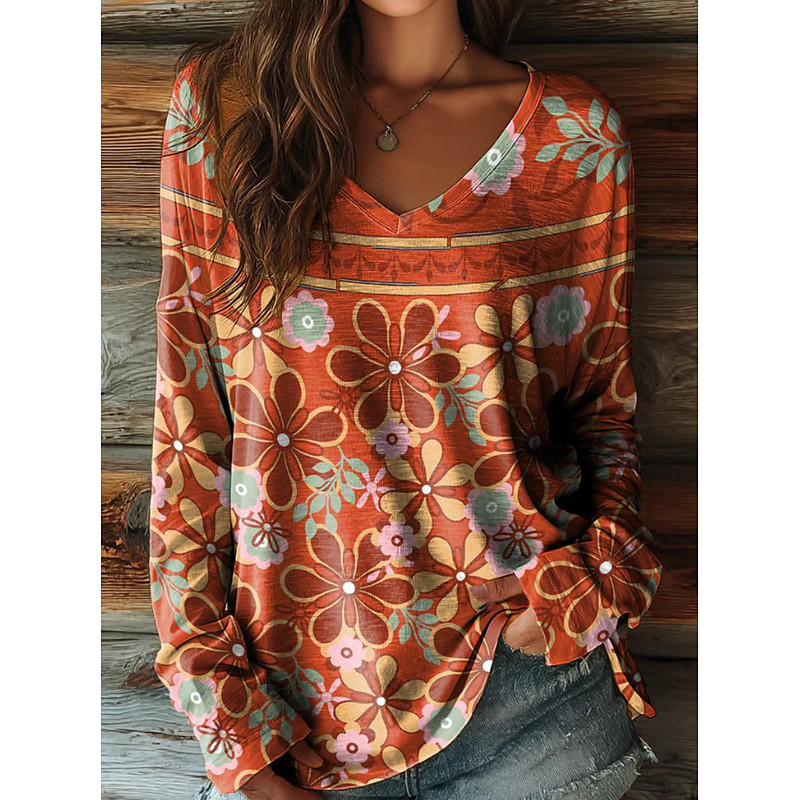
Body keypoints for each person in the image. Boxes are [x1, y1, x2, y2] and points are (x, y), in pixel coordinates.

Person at [148, 1, 664, 798]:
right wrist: (227, 724)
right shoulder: (224, 111)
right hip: (296, 721)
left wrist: (599, 580)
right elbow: (189, 428)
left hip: (530, 699)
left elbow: (602, 410)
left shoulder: (574, 137)